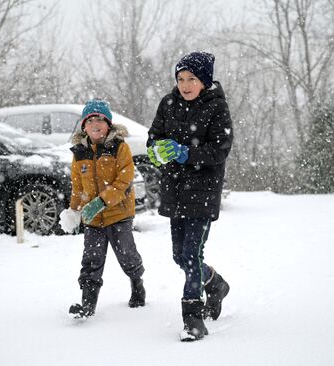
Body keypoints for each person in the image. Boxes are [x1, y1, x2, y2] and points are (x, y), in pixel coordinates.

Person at [147, 51, 233, 341]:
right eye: (181, 78)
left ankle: (193, 317)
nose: (184, 84)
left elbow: (219, 150)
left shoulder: (217, 107)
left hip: (203, 193)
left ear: (204, 81)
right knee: (179, 256)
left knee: (191, 255)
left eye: (191, 79)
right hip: (174, 191)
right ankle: (215, 283)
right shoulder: (168, 103)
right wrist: (155, 151)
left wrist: (185, 152)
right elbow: (154, 136)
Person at [65, 98, 146, 319]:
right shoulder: (79, 152)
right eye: (90, 120)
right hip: (93, 219)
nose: (95, 124)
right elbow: (77, 185)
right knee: (91, 259)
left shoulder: (120, 147)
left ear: (108, 124)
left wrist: (101, 202)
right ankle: (87, 304)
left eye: (100, 119)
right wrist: (73, 210)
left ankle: (137, 283)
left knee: (127, 255)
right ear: (84, 126)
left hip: (118, 214)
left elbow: (123, 181)